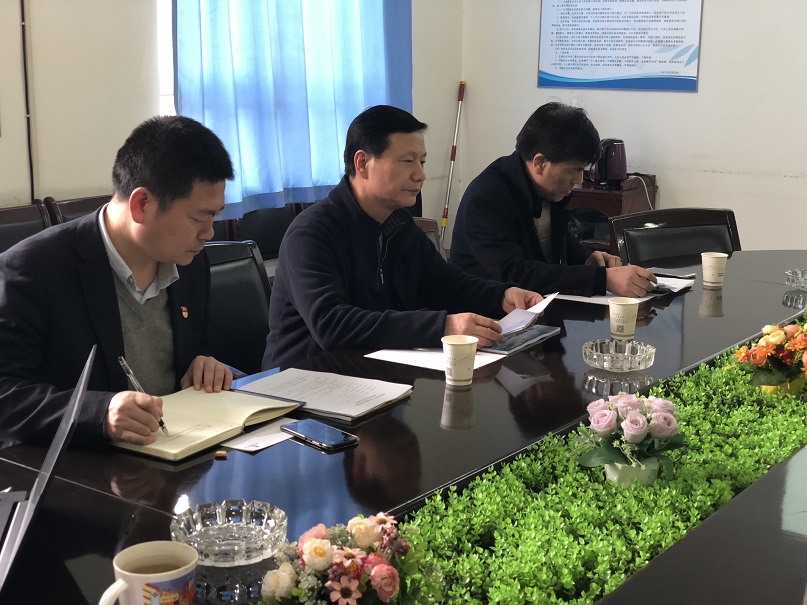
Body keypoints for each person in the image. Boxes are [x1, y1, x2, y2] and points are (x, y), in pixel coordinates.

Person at [0, 115, 235, 446]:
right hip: (83, 464)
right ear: (141, 204)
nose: (209, 233)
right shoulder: (33, 270)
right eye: (199, 217)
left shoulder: (190, 262)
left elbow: (196, 345)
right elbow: (6, 395)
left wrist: (204, 363)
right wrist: (99, 413)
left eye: (215, 216)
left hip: (178, 451)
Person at [263, 105, 543, 368]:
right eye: (407, 161)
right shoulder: (312, 233)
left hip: (374, 374)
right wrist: (444, 326)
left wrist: (501, 295)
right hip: (302, 382)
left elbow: (447, 284)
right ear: (362, 163)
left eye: (422, 162)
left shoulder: (398, 224)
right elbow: (331, 325)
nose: (420, 175)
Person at [450, 102, 656, 297]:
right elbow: (517, 274)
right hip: (487, 313)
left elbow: (555, 238)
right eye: (573, 170)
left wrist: (586, 258)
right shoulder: (487, 197)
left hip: (537, 305)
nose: (579, 180)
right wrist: (603, 279)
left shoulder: (547, 189)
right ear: (540, 163)